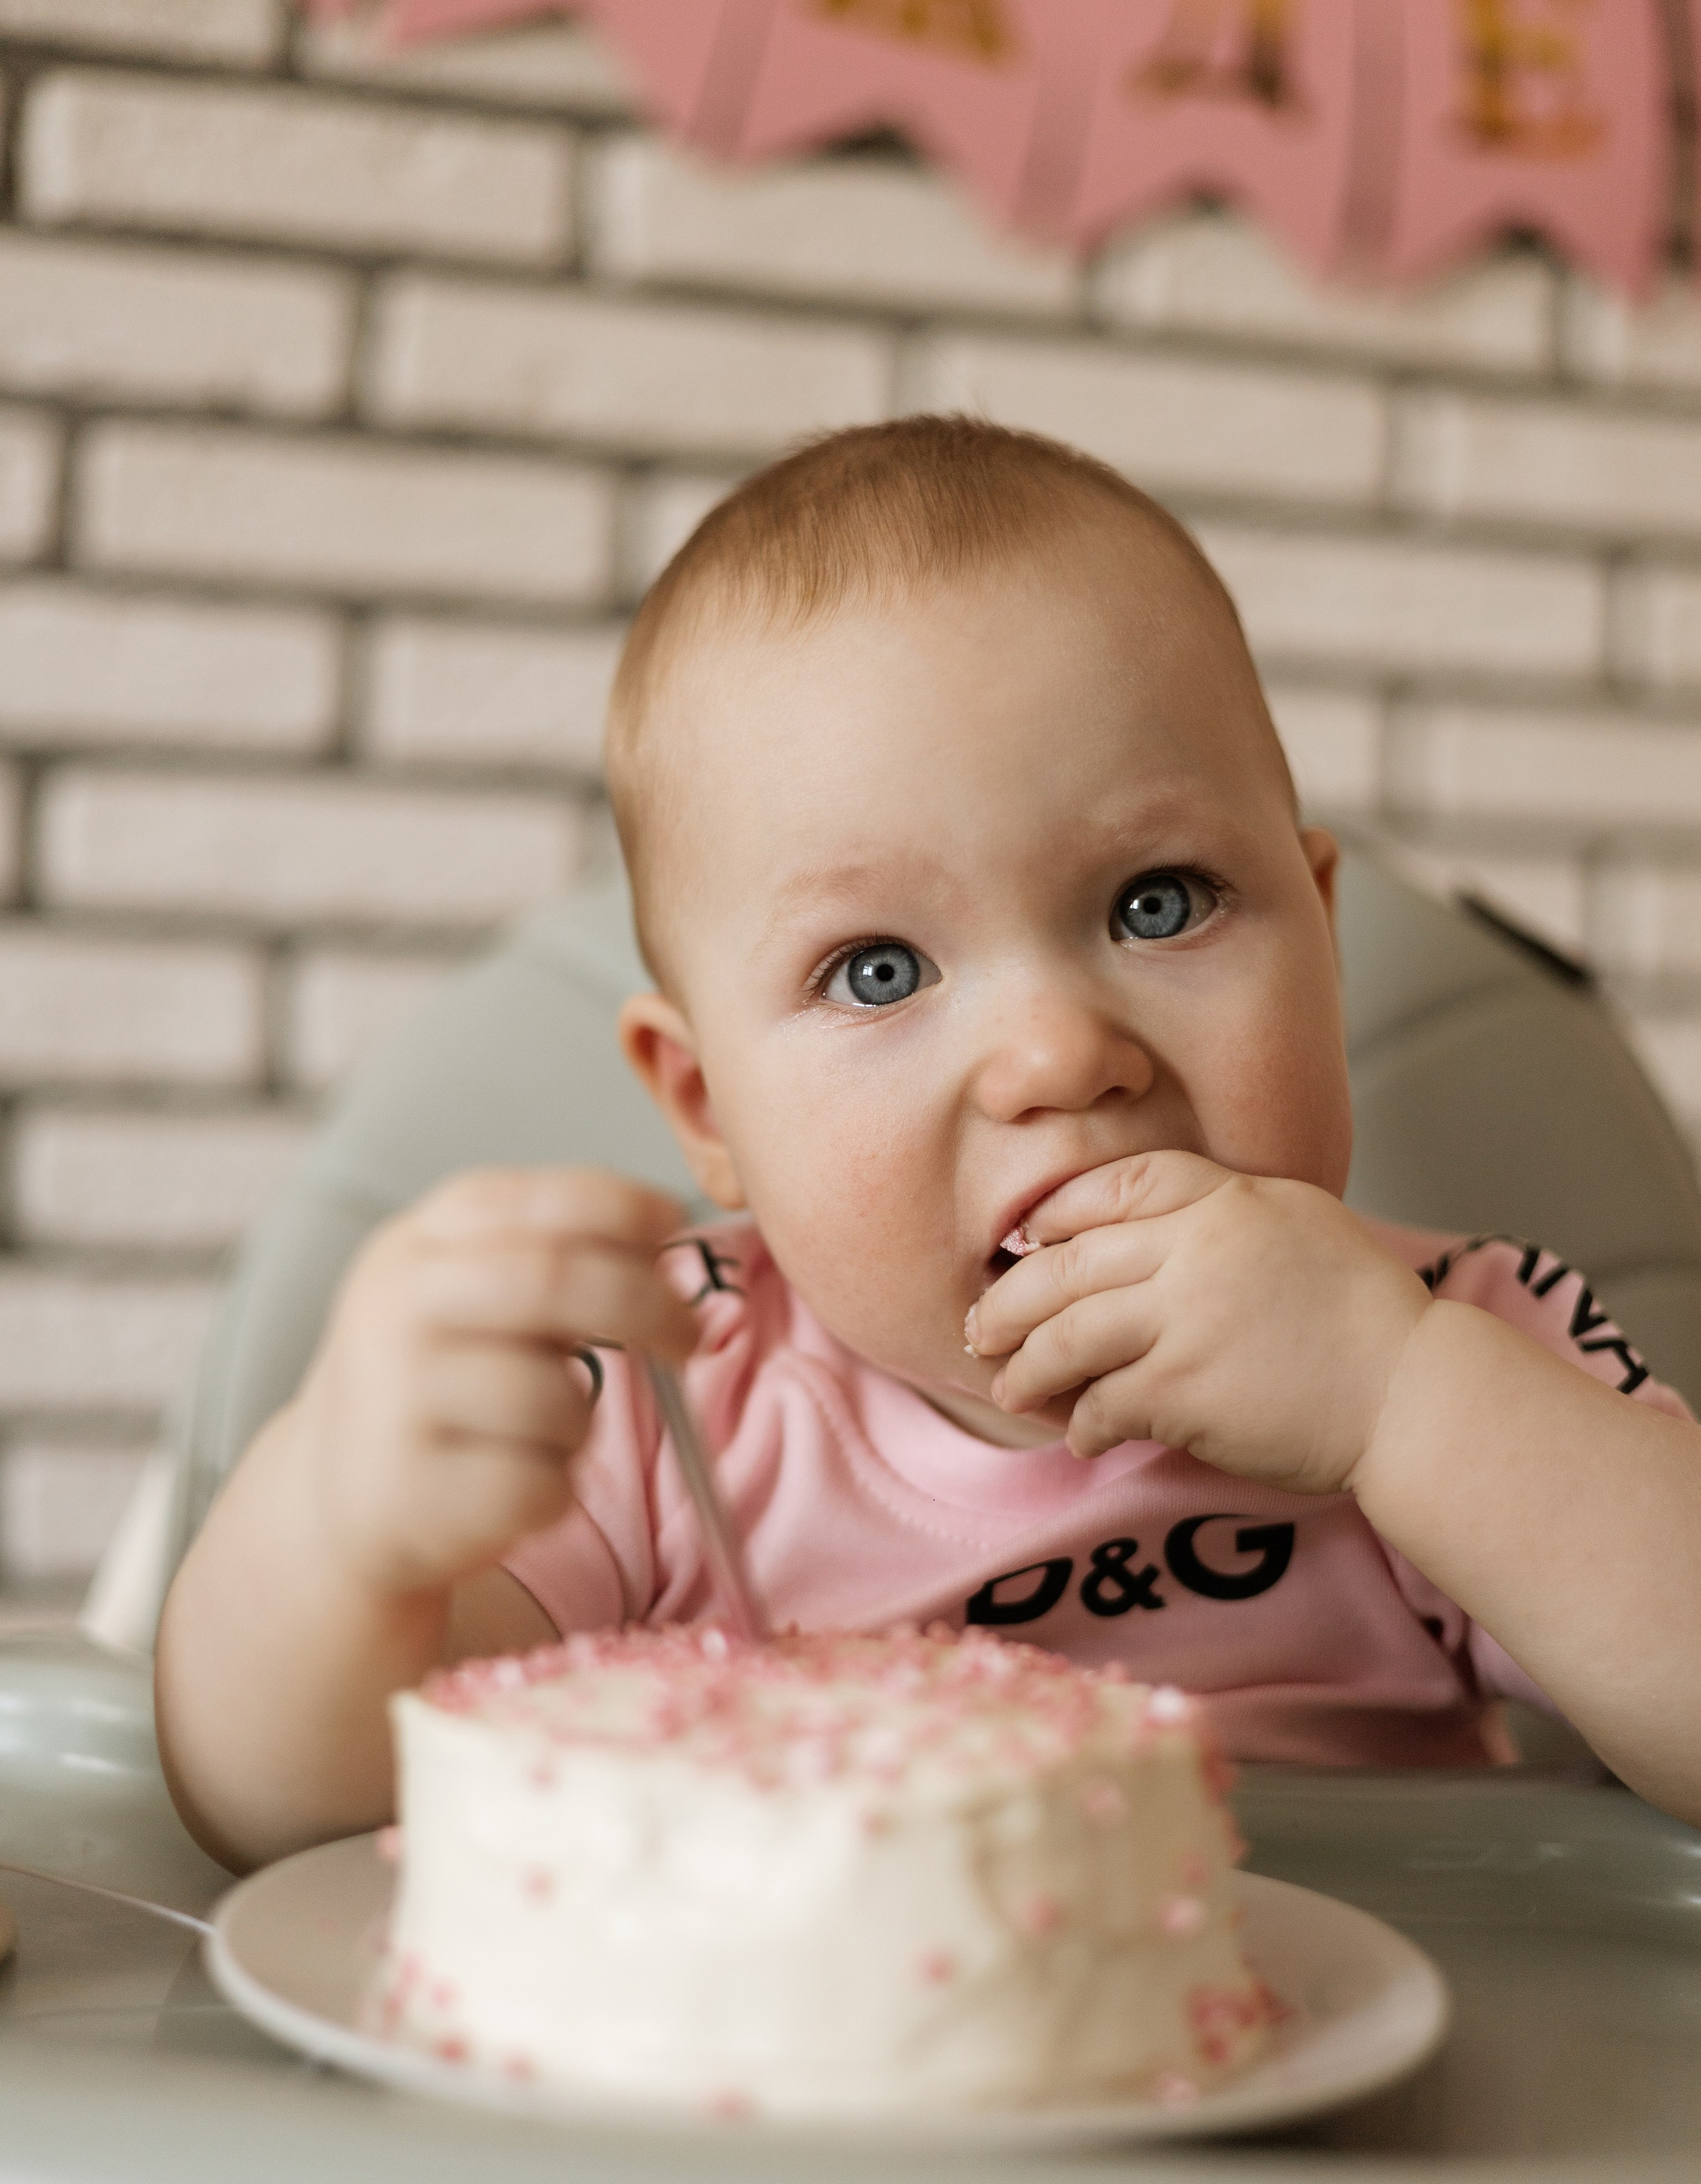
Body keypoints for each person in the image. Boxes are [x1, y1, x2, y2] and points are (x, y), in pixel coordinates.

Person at [149, 413, 1701, 1878]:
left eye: (1156, 903)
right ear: (703, 1107)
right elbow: (303, 1817)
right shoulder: (656, 1401)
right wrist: (343, 1526)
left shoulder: (1466, 1339)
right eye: (876, 971)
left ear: (1322, 939)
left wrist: (1395, 1401)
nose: (1053, 1056)